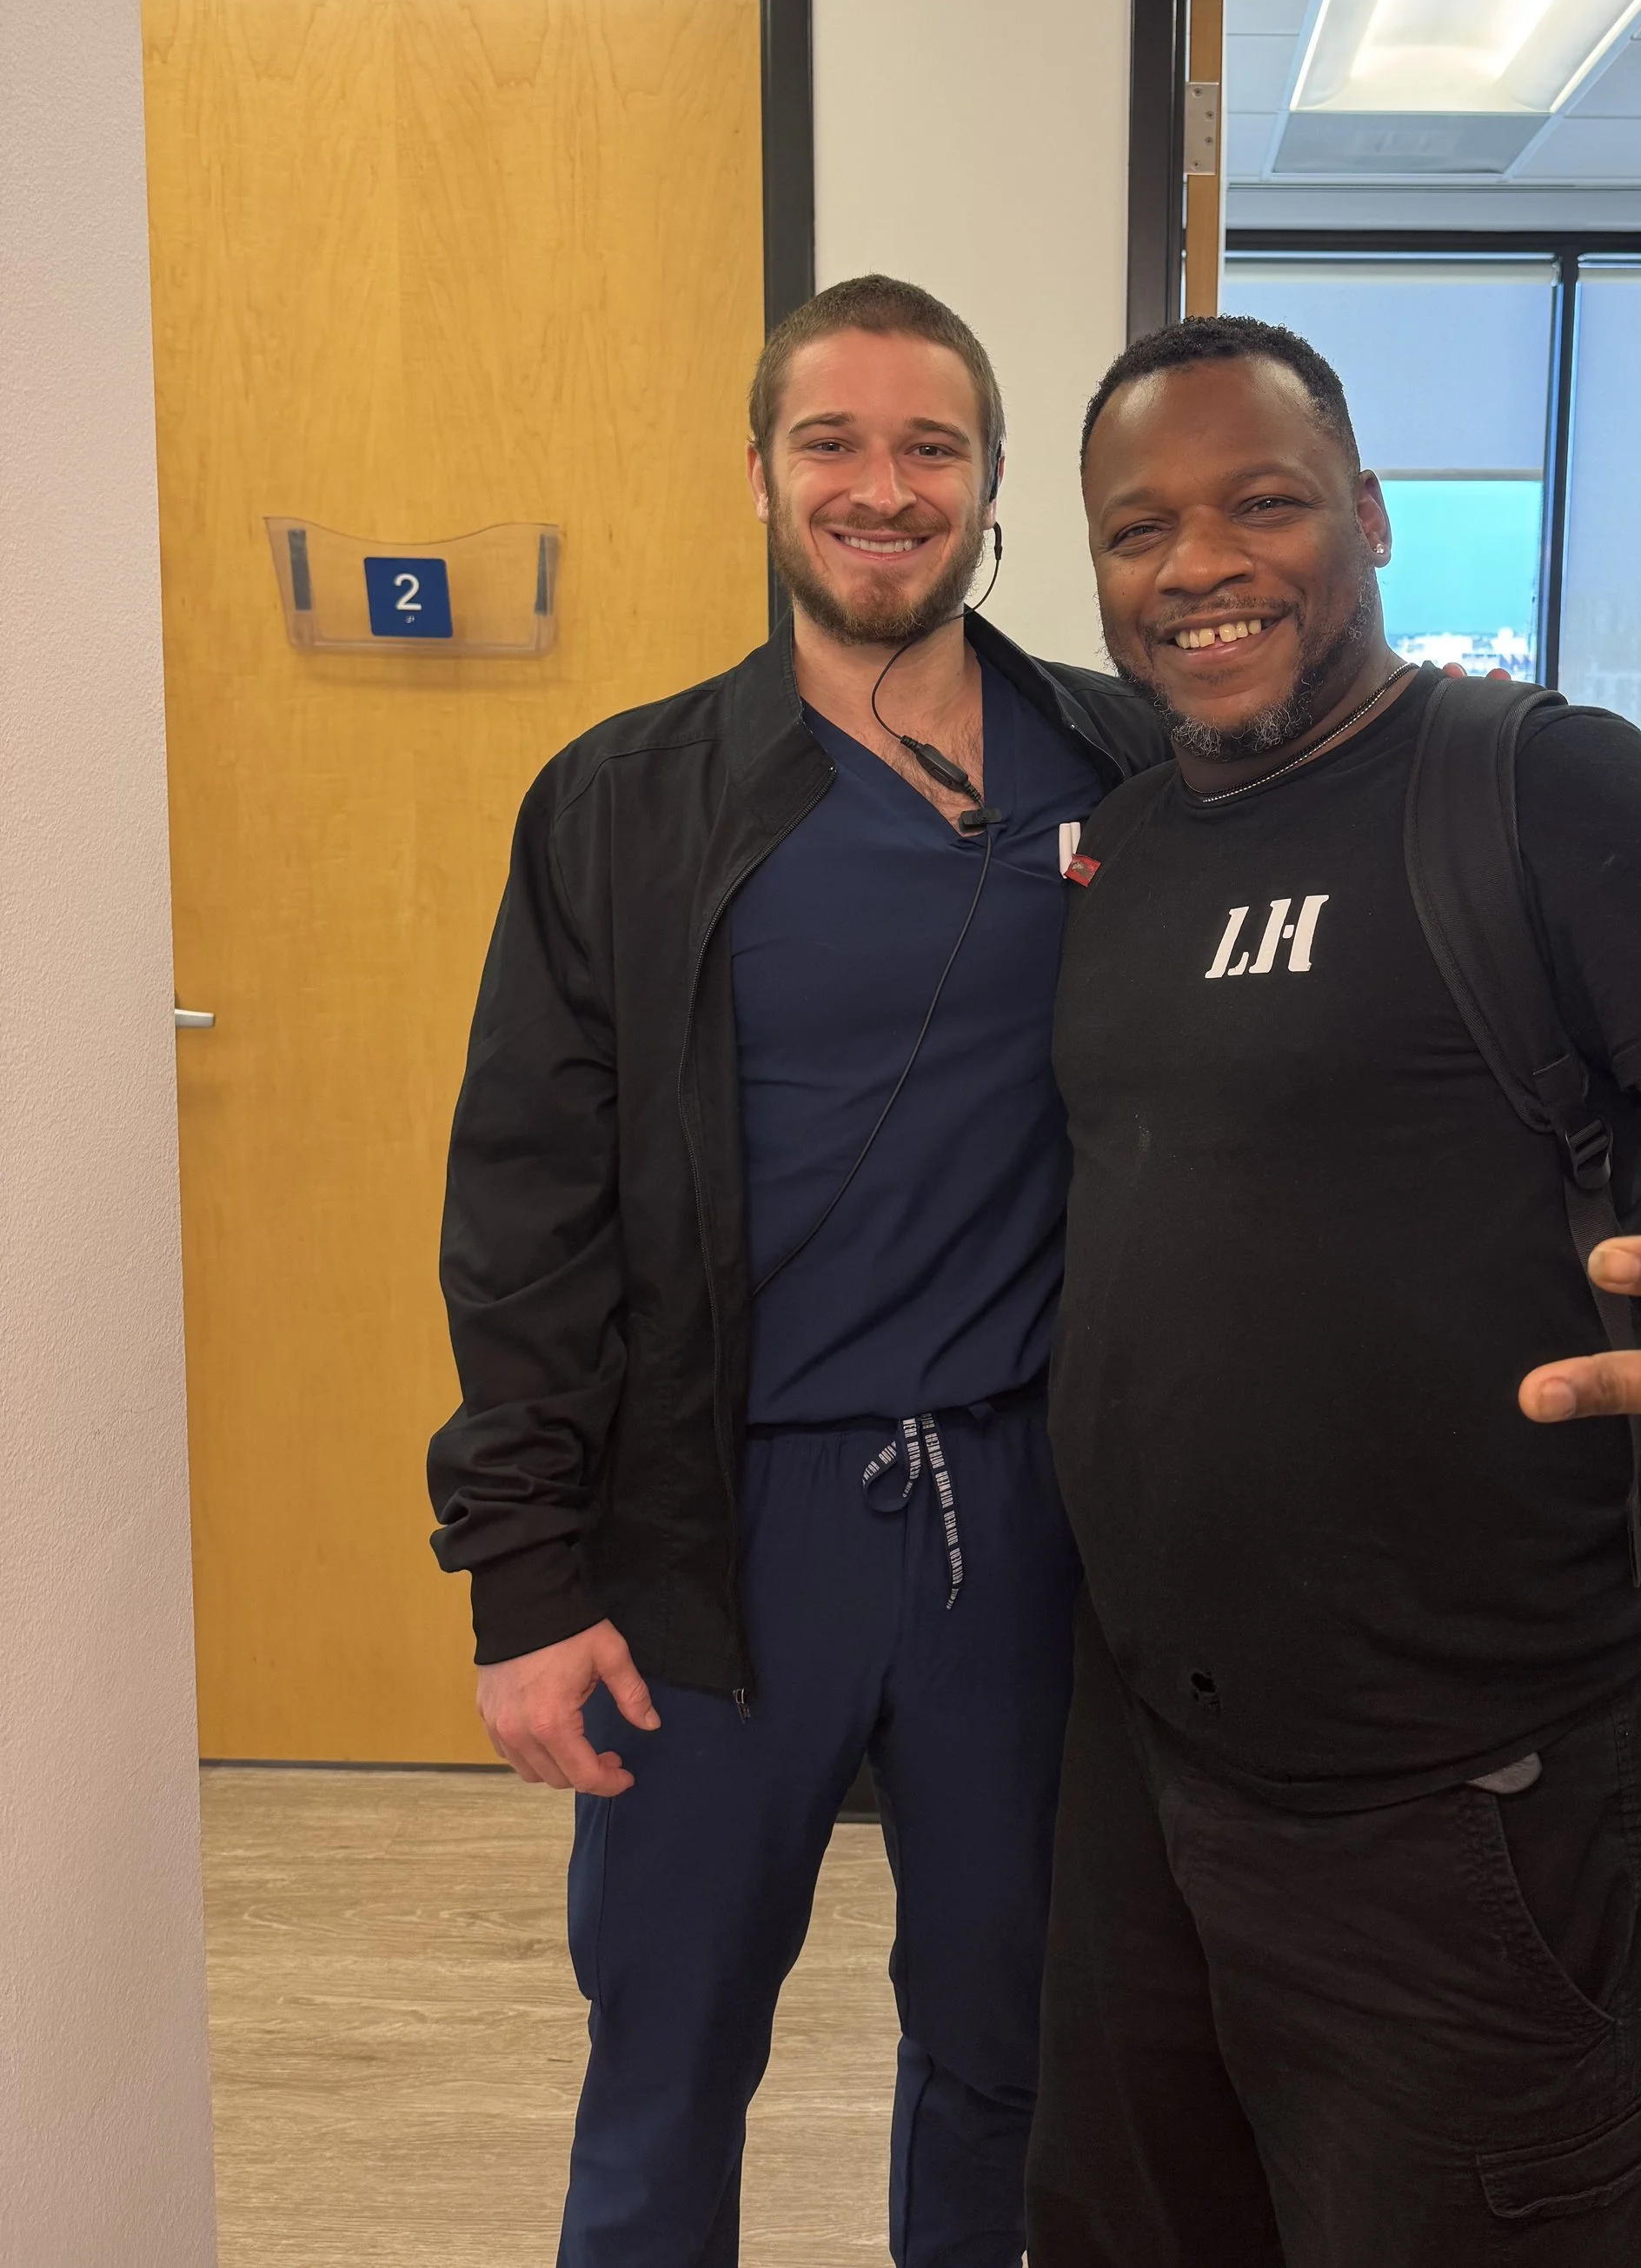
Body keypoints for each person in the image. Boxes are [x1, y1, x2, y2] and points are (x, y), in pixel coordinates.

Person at [1026, 314, 1641, 2268]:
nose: (1200, 564)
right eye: (1138, 528)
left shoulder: (1541, 792)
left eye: (1263, 503)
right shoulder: (1130, 838)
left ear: (1370, 518)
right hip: (1146, 1772)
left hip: (1470, 1798)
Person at [426, 276, 1161, 2268]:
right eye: (830, 440)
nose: (879, 485)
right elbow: (522, 1206)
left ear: (988, 487)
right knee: (667, 2054)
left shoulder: (1132, 774)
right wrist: (527, 1569)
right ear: (756, 473)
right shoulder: (624, 801)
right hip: (716, 1525)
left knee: (1012, 2035)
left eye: (930, 445)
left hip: (1024, 1516)